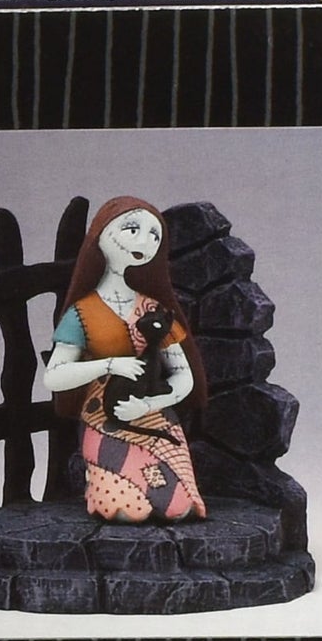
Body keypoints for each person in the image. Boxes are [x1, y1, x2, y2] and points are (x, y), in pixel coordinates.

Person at [44, 197, 208, 523]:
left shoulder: (155, 311)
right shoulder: (82, 313)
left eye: (154, 236)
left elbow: (183, 376)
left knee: (180, 507)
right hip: (104, 417)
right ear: (100, 236)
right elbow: (53, 377)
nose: (144, 242)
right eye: (132, 229)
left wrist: (148, 405)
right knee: (123, 508)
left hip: (154, 416)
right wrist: (109, 365)